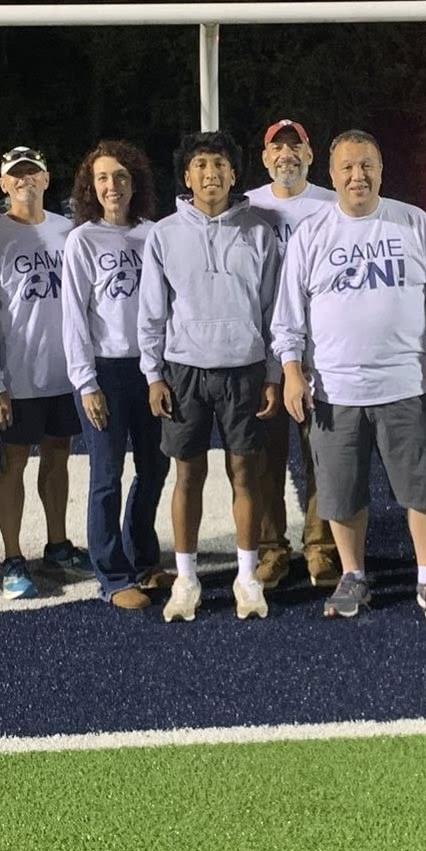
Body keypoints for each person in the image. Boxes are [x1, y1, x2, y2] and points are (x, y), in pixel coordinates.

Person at [275, 130, 426, 622]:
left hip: (404, 383)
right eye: (347, 167)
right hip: (335, 389)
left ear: (381, 171)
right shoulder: (312, 232)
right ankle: (352, 575)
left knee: (422, 487)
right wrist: (292, 372)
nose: (357, 175)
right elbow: (288, 315)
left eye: (367, 166)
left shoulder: (412, 221)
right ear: (332, 174)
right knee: (340, 492)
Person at [139, 130, 280, 622]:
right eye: (200, 165)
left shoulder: (260, 231)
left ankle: (246, 576)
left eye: (219, 165)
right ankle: (187, 578)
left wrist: (272, 372)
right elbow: (152, 313)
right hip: (185, 371)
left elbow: (272, 311)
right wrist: (154, 374)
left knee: (245, 473)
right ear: (186, 176)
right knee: (187, 474)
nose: (210, 174)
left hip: (243, 368)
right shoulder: (164, 234)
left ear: (235, 174)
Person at [0, 146, 89, 601]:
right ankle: (13, 556)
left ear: (46, 178)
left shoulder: (69, 231)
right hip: (17, 379)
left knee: (59, 455)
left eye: (31, 173)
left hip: (65, 373)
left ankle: (57, 544)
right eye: (15, 175)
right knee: (13, 462)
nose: (24, 181)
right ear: (3, 185)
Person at [62, 141, 167, 611]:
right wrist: (85, 382)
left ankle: (143, 557)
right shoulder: (83, 239)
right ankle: (112, 572)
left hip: (151, 370)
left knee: (154, 467)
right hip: (105, 369)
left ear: (135, 182)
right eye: (102, 178)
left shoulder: (155, 235)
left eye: (121, 176)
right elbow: (75, 316)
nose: (112, 186)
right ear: (91, 187)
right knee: (106, 474)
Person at [244, 118, 341, 589]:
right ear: (264, 158)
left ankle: (321, 547)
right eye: (276, 149)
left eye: (294, 146)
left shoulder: (331, 204)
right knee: (265, 457)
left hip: (320, 351)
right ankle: (271, 547)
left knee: (320, 453)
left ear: (309, 153)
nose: (286, 155)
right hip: (261, 353)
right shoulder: (248, 207)